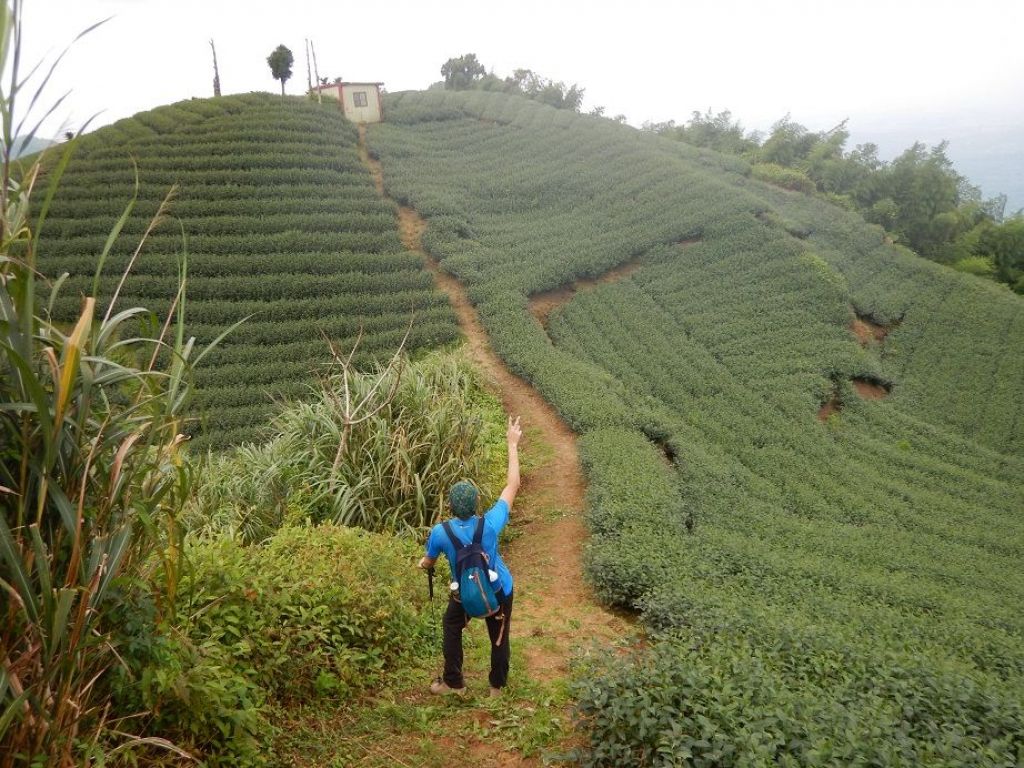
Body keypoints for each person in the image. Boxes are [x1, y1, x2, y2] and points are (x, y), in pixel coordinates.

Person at [419, 415, 523, 697]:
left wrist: (424, 563)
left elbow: (428, 561)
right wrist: (512, 444)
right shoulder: (489, 523)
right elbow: (512, 485)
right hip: (499, 588)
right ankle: (496, 689)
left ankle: (454, 683)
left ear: (450, 506)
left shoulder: (440, 533)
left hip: (464, 593)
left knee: (451, 625)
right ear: (477, 502)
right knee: (499, 636)